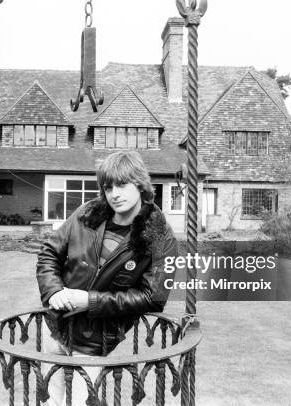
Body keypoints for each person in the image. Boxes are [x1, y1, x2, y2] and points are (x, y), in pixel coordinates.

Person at [36, 150, 179, 405]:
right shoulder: (88, 213)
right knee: (49, 402)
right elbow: (49, 253)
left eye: (122, 185)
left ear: (140, 184)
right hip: (55, 327)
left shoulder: (159, 234)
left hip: (93, 341)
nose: (114, 193)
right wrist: (54, 291)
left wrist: (89, 301)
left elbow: (153, 298)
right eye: (108, 186)